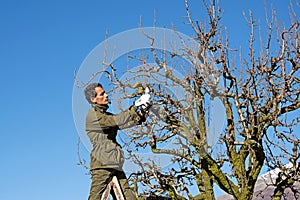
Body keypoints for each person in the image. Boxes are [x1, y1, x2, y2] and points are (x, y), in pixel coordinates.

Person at [84, 82, 150, 200]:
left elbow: (124, 123)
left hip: (115, 163)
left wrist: (142, 113)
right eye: (102, 94)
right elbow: (118, 120)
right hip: (102, 165)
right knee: (95, 197)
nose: (106, 95)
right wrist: (136, 105)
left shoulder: (105, 115)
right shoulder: (94, 116)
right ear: (93, 99)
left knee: (129, 197)